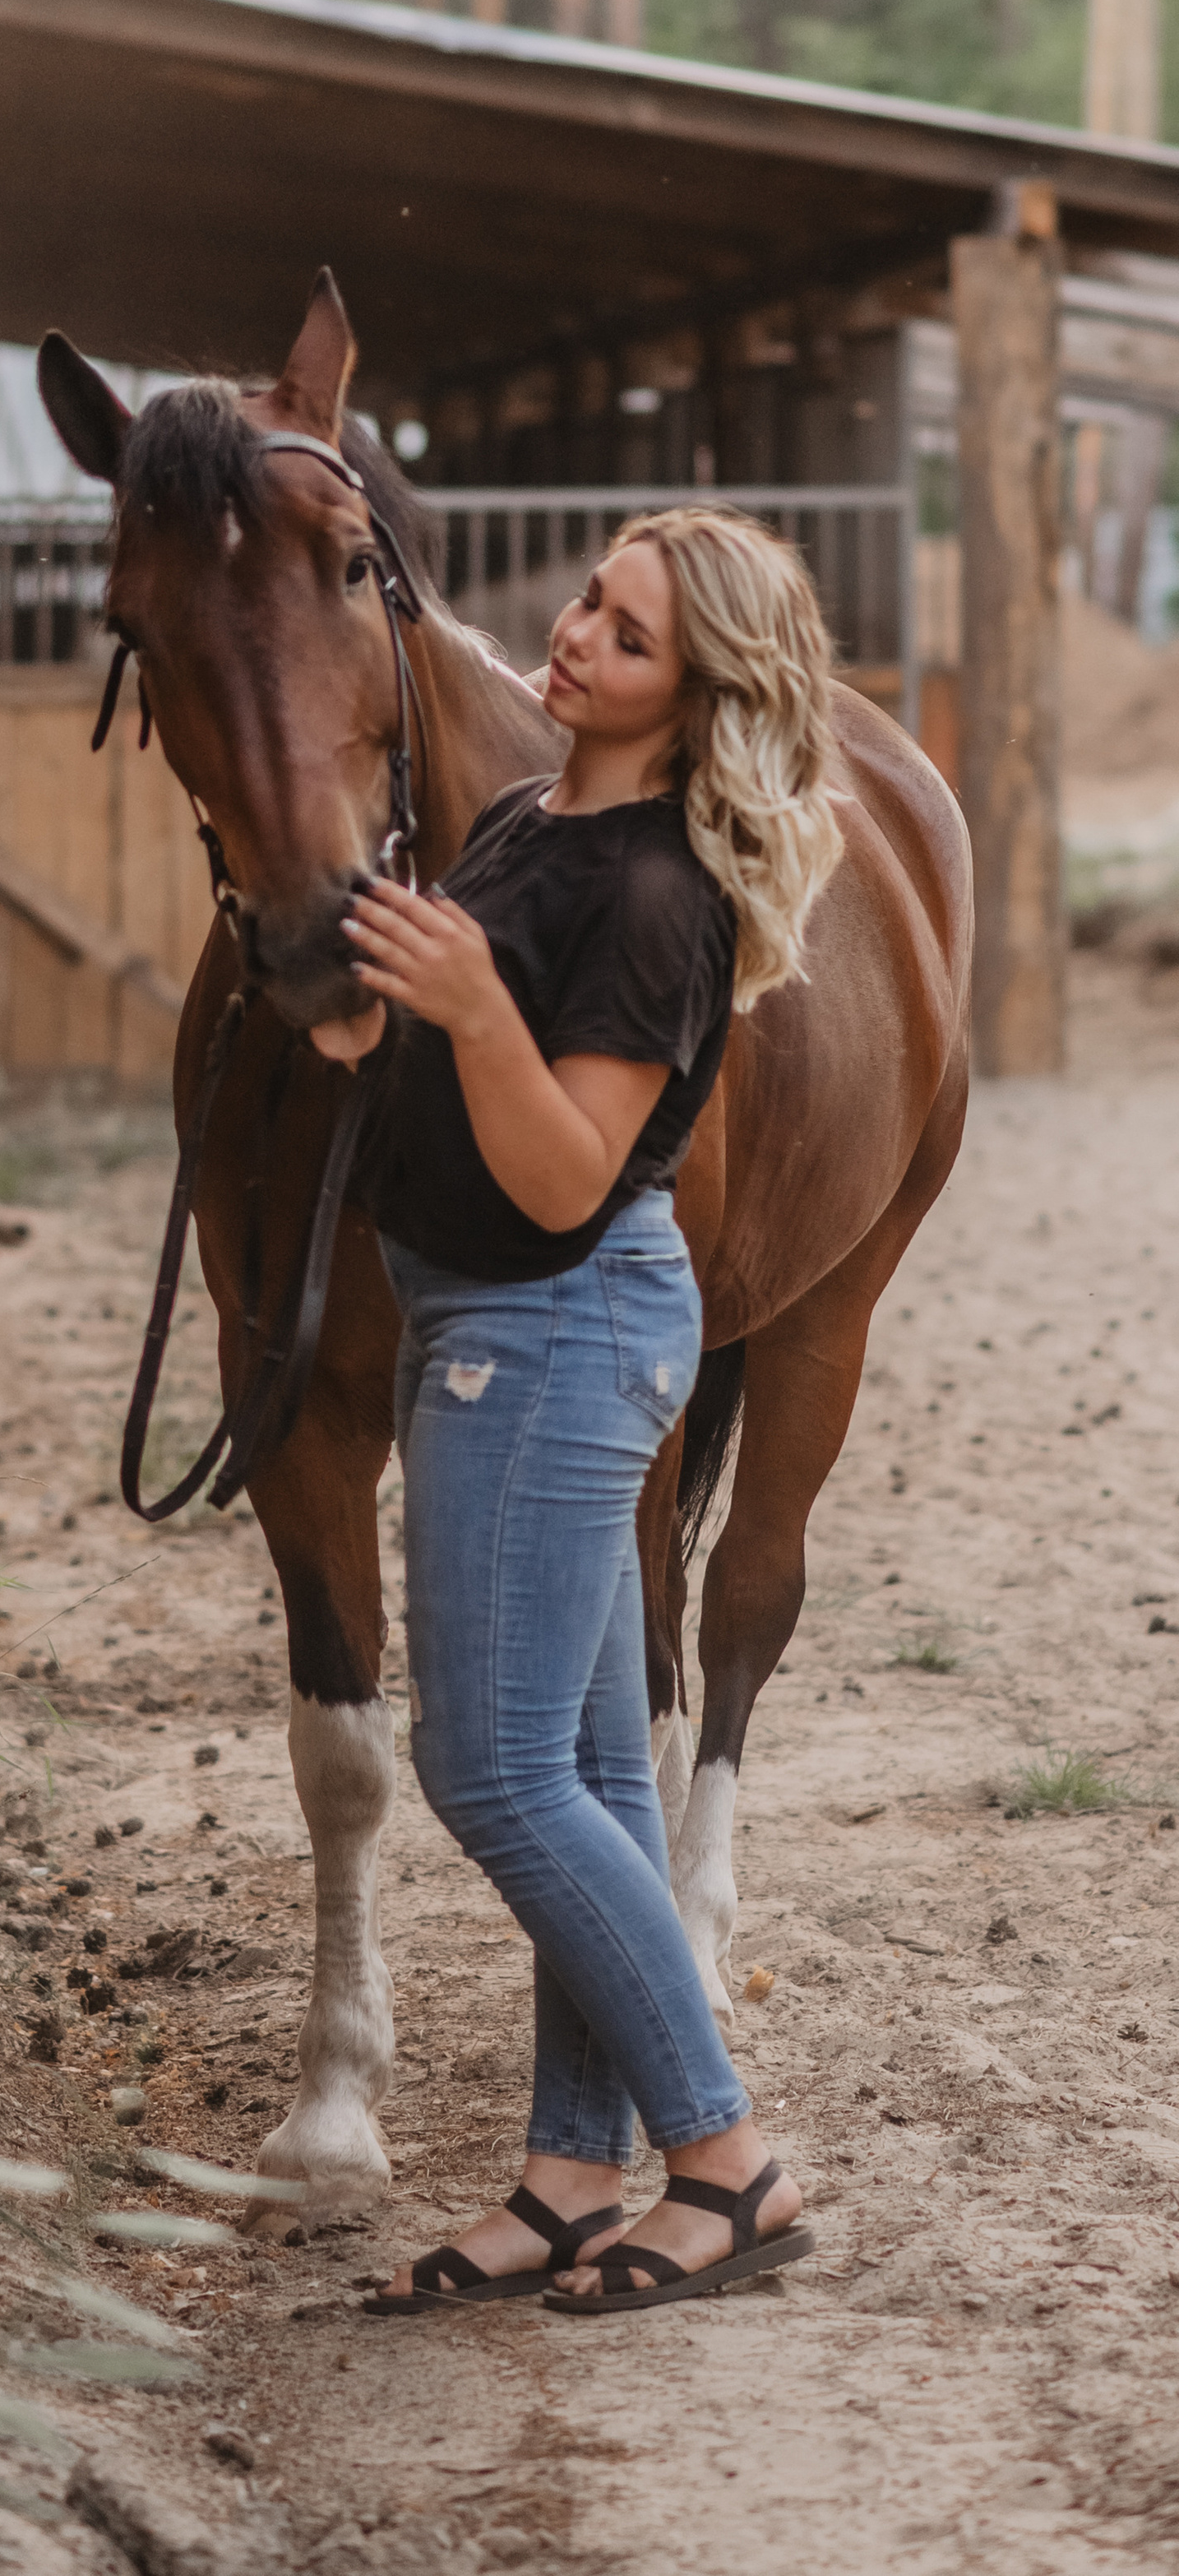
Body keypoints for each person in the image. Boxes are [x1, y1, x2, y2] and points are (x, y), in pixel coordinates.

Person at [312, 507, 844, 2318]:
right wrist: (371, 1017)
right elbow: (461, 1061)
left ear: (694, 696)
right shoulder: (531, 821)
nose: (570, 642)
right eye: (583, 603)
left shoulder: (653, 892)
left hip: (546, 1329)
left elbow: (561, 1171)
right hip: (490, 1322)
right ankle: (566, 2168)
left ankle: (722, 2153)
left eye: (621, 638)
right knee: (599, 1771)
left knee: (492, 1768)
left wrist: (463, 1007)